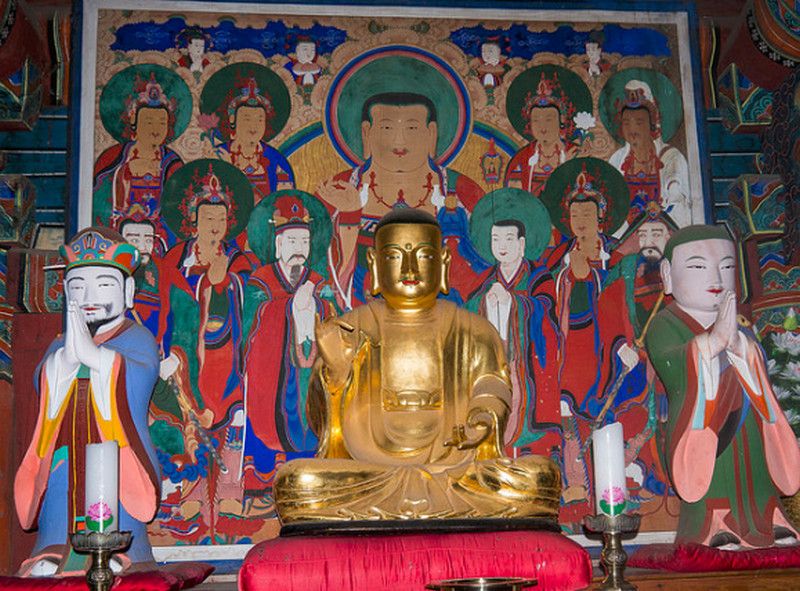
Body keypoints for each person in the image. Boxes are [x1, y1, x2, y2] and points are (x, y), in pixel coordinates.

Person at [272, 208, 561, 523]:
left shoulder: (474, 330)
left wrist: (482, 417)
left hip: (454, 470)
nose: (409, 268)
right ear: (375, 264)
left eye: (423, 256)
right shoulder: (350, 328)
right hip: (371, 474)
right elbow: (322, 422)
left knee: (539, 477)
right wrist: (336, 373)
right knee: (297, 481)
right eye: (394, 257)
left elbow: (491, 386)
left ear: (443, 263)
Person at [14, 227, 160, 575]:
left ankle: (122, 549)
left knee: (116, 504)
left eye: (104, 284)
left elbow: (140, 376)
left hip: (116, 454)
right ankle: (54, 545)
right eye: (77, 287)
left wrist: (96, 358)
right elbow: (41, 383)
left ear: (128, 291)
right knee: (59, 492)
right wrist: (66, 359)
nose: (88, 296)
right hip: (65, 453)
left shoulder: (137, 338)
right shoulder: (60, 344)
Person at [646, 225, 800, 548]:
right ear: (668, 275)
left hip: (749, 420)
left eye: (727, 267)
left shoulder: (741, 324)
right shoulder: (664, 324)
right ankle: (713, 521)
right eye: (698, 266)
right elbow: (673, 367)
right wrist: (712, 344)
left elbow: (759, 371)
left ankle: (767, 514)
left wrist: (743, 348)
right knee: (715, 476)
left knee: (757, 461)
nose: (716, 278)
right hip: (704, 423)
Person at [317, 92, 484, 310]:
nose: (399, 141)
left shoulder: (461, 193)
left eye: (411, 128)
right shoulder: (337, 190)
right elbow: (319, 272)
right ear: (366, 133)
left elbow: (483, 269)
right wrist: (349, 216)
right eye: (387, 128)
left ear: (432, 133)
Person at [157, 166, 254, 539]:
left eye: (221, 219)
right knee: (188, 418)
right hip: (185, 352)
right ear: (192, 221)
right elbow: (167, 302)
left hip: (226, 354)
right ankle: (191, 492)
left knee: (235, 415)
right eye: (207, 218)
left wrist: (226, 281)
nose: (215, 226)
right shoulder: (175, 259)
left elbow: (249, 296)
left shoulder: (238, 259)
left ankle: (230, 492)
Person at [242, 195, 328, 509]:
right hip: (271, 370)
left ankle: (309, 479)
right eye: (291, 240)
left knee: (312, 415)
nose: (298, 247)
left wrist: (316, 305)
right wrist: (290, 306)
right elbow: (251, 320)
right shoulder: (260, 281)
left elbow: (333, 319)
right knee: (267, 416)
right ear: (277, 245)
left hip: (307, 371)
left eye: (304, 241)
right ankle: (262, 482)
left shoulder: (317, 282)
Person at [467, 218, 560, 457]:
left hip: (527, 362)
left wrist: (512, 301)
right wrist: (486, 302)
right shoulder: (486, 280)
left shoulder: (538, 276)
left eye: (509, 239)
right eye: (495, 239)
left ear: (521, 244)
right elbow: (469, 311)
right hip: (495, 363)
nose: (502, 246)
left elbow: (546, 308)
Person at [94, 74, 183, 238]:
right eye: (149, 122)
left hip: (158, 235)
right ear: (134, 121)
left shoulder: (172, 162)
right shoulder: (114, 157)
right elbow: (100, 200)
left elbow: (177, 208)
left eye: (162, 122)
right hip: (122, 230)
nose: (155, 129)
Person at [608, 79, 691, 228]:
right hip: (627, 234)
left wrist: (661, 212)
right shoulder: (617, 160)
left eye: (639, 122)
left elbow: (680, 206)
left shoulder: (671, 158)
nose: (632, 130)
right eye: (626, 123)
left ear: (652, 124)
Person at [216, 78, 295, 207]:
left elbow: (287, 203)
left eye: (259, 120)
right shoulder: (219, 154)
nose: (254, 126)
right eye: (247, 119)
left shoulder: (276, 160)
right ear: (232, 119)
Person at [504, 73, 579, 197]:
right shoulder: (522, 159)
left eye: (549, 119)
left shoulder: (575, 153)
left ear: (561, 119)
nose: (542, 127)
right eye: (536, 120)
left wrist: (567, 168)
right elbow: (513, 199)